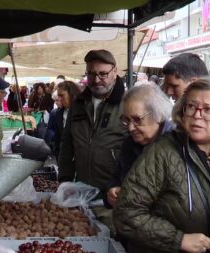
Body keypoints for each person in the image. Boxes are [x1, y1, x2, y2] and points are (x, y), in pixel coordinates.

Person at [114, 77, 210, 253]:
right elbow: (126, 213)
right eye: (191, 107)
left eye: (208, 110)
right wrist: (178, 240)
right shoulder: (162, 151)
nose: (197, 115)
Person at [58, 49, 128, 235]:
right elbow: (67, 144)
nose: (96, 80)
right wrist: (64, 180)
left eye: (103, 74)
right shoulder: (78, 103)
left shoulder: (128, 104)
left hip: (114, 199)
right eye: (91, 74)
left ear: (115, 71)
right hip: (82, 193)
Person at [105, 84, 174, 209]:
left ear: (158, 115)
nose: (130, 128)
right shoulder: (129, 144)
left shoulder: (175, 147)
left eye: (137, 119)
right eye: (127, 120)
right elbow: (116, 177)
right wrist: (112, 192)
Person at [46, 81, 80, 158]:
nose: (59, 99)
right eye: (58, 96)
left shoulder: (85, 111)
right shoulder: (58, 113)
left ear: (71, 94)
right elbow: (56, 135)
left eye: (61, 95)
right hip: (64, 156)